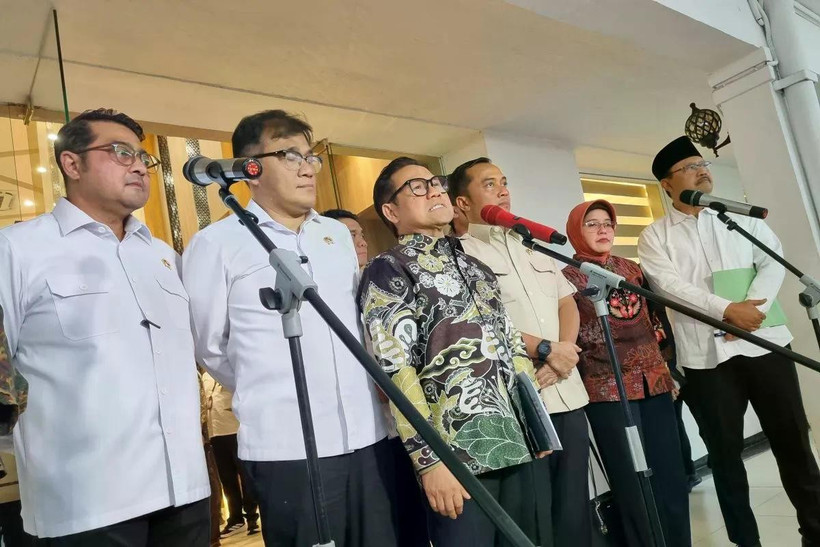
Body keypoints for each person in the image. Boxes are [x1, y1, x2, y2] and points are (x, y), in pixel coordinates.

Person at [183, 110, 396, 547]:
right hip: (287, 445)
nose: (307, 167)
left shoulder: (334, 236)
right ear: (250, 168)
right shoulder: (216, 244)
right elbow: (209, 345)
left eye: (310, 155)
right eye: (290, 155)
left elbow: (356, 323)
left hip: (366, 433)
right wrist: (270, 386)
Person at [0, 109, 210, 543]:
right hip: (86, 499)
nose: (138, 165)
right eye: (120, 152)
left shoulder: (162, 255)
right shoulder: (18, 250)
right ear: (71, 164)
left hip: (184, 487)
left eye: (143, 157)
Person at [359, 157, 551, 547]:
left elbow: (512, 345)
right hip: (456, 459)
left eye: (434, 182)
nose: (433, 189)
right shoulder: (388, 269)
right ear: (390, 211)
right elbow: (395, 372)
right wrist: (429, 462)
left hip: (517, 443)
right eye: (416, 186)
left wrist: (536, 423)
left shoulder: (476, 266)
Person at [638, 136, 820, 547]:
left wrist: (751, 312)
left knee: (794, 443)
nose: (702, 170)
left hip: (765, 344)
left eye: (703, 163)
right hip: (707, 358)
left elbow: (771, 261)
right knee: (725, 457)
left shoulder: (742, 219)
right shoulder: (656, 235)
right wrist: (726, 310)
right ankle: (745, 540)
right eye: (689, 166)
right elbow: (669, 287)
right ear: (667, 183)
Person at [449, 157, 590, 547]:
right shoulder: (459, 253)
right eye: (490, 184)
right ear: (462, 202)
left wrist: (564, 355)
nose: (503, 191)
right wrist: (546, 352)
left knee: (575, 506)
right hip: (521, 396)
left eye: (505, 182)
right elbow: (481, 321)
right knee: (534, 513)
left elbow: (567, 303)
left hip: (568, 388)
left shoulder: (529, 243)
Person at [561, 199, 690, 547]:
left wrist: (667, 368)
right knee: (633, 484)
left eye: (608, 223)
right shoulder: (566, 276)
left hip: (655, 384)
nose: (603, 230)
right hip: (607, 391)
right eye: (592, 224)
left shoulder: (630, 269)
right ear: (576, 230)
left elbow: (656, 321)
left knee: (671, 476)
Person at [202, 373, 259, 538]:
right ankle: (236, 518)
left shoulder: (228, 370)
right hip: (216, 432)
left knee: (246, 476)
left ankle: (252, 517)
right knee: (227, 479)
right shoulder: (205, 377)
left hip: (235, 429)